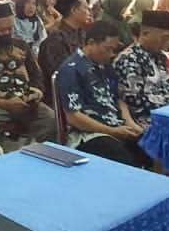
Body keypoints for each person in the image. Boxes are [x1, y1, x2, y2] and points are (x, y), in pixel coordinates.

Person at [54, 21, 149, 166]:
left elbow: (118, 99)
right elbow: (74, 117)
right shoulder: (71, 69)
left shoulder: (105, 66)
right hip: (89, 134)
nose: (112, 54)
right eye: (108, 49)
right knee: (126, 161)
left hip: (116, 126)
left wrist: (129, 122)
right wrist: (112, 131)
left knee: (150, 148)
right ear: (91, 43)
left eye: (114, 50)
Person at [0, 3, 57, 142]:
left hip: (26, 102)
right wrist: (3, 103)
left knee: (51, 120)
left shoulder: (21, 46)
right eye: (2, 30)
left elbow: (36, 75)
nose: (7, 34)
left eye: (10, 29)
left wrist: (36, 92)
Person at [114, 9, 169, 125]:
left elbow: (163, 88)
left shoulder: (159, 56)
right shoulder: (129, 59)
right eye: (164, 38)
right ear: (145, 34)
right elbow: (133, 100)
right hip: (143, 120)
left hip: (166, 112)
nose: (168, 42)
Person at [38, 0, 91, 83]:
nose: (89, 12)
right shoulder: (55, 40)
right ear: (74, 10)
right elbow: (62, 74)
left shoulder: (82, 33)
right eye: (86, 8)